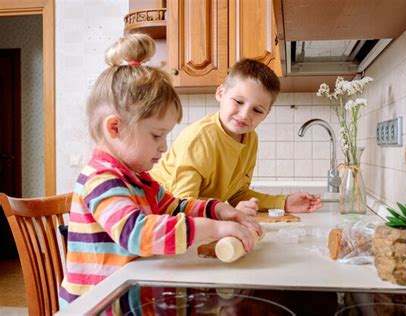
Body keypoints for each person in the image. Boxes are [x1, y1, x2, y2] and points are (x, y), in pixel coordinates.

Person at [59, 34, 262, 307]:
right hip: (98, 305)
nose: (164, 147)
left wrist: (218, 210)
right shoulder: (101, 179)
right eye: (156, 136)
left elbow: (175, 207)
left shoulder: (139, 180)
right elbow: (136, 232)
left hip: (128, 298)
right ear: (115, 128)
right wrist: (213, 228)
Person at [150, 58, 323, 214]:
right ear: (220, 93)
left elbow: (237, 194)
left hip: (192, 215)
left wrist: (283, 203)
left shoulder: (250, 138)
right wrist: (224, 211)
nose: (245, 114)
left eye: (257, 110)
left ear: (266, 115)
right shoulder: (200, 138)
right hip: (153, 209)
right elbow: (183, 204)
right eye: (238, 102)